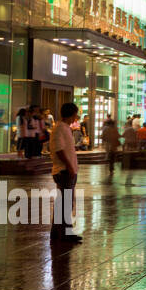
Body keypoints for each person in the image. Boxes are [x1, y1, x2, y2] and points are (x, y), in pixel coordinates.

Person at [50, 102, 82, 245]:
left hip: (68, 170)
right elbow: (59, 149)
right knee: (65, 203)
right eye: (76, 113)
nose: (77, 116)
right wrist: (69, 166)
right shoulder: (59, 128)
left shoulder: (65, 128)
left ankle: (59, 232)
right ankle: (64, 233)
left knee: (64, 203)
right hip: (63, 171)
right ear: (72, 114)